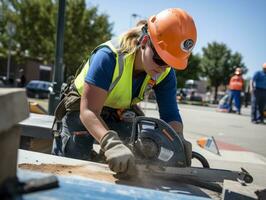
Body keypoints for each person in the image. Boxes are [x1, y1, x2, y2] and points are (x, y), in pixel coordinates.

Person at [52, 8, 197, 176]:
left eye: (169, 62)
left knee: (140, 152)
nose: (162, 68)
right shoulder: (108, 57)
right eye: (159, 59)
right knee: (74, 163)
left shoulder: (164, 73)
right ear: (144, 42)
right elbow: (89, 111)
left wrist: (177, 138)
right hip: (82, 109)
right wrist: (111, 144)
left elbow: (170, 114)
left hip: (119, 111)